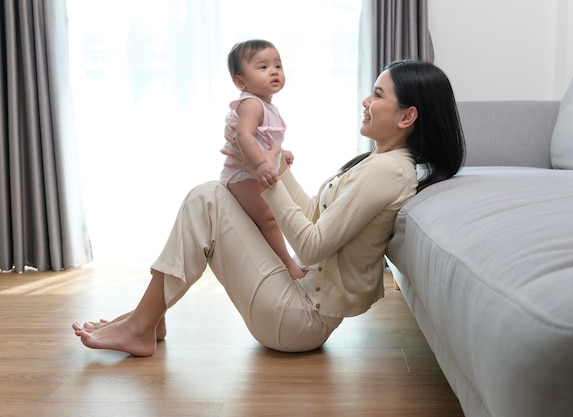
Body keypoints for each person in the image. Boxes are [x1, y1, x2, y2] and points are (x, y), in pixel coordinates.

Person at [72, 59, 465, 357]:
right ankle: (148, 320)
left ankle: (143, 325)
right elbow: (315, 217)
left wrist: (268, 181)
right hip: (298, 301)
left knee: (207, 197)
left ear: (407, 116)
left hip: (299, 321)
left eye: (378, 95)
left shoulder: (389, 171)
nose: (366, 101)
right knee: (209, 195)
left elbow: (311, 247)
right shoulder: (378, 163)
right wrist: (276, 166)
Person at [219, 39, 306, 280]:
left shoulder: (266, 106)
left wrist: (279, 152)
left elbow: (263, 139)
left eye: (277, 65)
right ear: (240, 81)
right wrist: (261, 164)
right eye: (263, 67)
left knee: (275, 215)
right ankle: (287, 263)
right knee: (268, 218)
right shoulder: (251, 104)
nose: (274, 71)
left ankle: (282, 259)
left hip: (252, 172)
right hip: (242, 176)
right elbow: (243, 135)